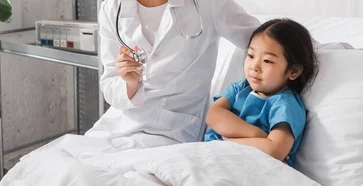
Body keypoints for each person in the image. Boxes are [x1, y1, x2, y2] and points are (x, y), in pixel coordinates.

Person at [84, 0, 261, 149]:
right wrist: (130, 84)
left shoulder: (208, 4)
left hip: (174, 127)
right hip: (119, 123)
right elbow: (109, 84)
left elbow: (266, 41)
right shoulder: (112, 8)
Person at [204, 18, 318, 167]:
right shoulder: (241, 87)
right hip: (213, 158)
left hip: (251, 167)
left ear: (294, 71)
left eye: (267, 61)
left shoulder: (285, 105)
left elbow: (274, 150)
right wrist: (258, 136)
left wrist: (231, 141)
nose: (254, 67)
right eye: (251, 56)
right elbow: (213, 115)